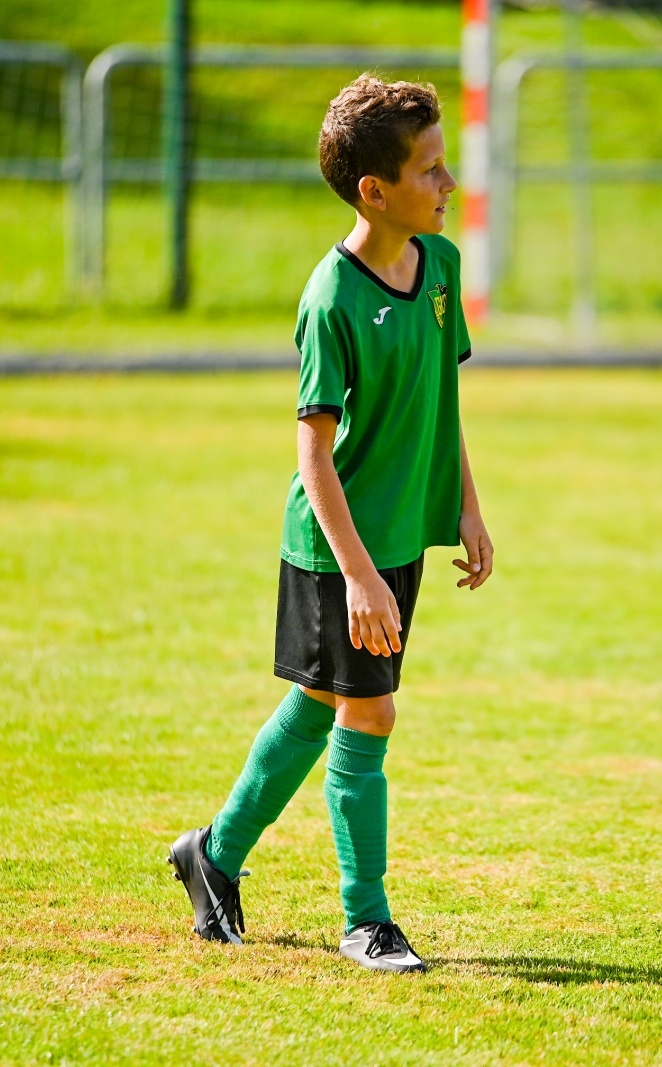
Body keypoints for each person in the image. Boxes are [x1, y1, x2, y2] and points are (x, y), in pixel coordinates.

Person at [165, 75, 493, 974]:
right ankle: (367, 920)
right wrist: (356, 574)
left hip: (398, 538)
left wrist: (466, 505)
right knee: (369, 710)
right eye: (430, 170)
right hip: (338, 547)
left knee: (321, 703)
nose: (449, 183)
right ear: (374, 191)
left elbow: (443, 398)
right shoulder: (331, 297)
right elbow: (313, 454)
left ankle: (213, 855)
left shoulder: (441, 268)